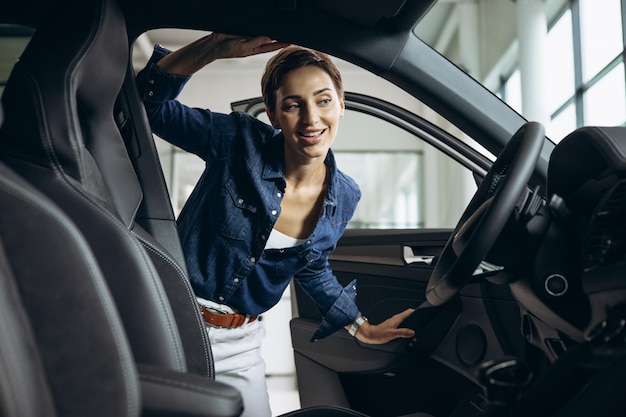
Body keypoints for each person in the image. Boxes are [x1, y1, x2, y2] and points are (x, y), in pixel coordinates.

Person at [135, 32, 416, 417]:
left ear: (341, 105)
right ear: (273, 113)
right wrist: (214, 49)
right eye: (293, 105)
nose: (311, 118)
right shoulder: (238, 140)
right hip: (170, 320)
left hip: (242, 343)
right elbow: (145, 106)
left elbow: (311, 265)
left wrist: (361, 328)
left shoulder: (345, 196)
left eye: (323, 101)